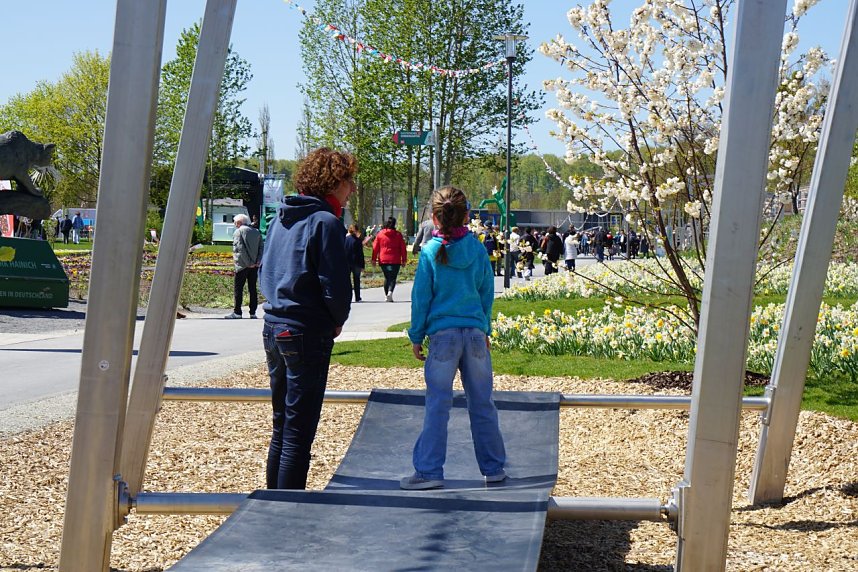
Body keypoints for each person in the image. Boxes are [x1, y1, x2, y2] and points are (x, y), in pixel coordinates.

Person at [259, 147, 356, 490]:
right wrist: (337, 318)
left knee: (281, 426)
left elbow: (265, 272)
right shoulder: (326, 223)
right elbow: (335, 285)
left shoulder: (280, 219)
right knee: (298, 434)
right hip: (306, 330)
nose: (352, 189)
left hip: (274, 326)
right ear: (333, 182)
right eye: (348, 181)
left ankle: (273, 505)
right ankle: (287, 514)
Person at [401, 185, 506, 490]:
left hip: (443, 336)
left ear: (434, 217)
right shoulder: (476, 248)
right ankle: (493, 467)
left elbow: (422, 297)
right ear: (468, 216)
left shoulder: (431, 252)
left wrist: (416, 335)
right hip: (473, 334)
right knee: (483, 402)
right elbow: (487, 291)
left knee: (438, 404)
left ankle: (429, 471)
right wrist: (484, 328)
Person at [225, 213, 264, 319]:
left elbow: (240, 249)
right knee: (252, 288)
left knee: (238, 288)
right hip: (255, 266)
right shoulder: (256, 232)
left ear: (239, 222)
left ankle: (237, 312)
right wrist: (257, 261)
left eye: (234, 223)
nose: (234, 225)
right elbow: (261, 247)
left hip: (242, 265)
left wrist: (248, 263)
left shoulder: (238, 232)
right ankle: (253, 312)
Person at [371, 216, 407, 302]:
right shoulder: (398, 235)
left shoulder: (380, 234)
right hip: (395, 260)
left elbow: (375, 247)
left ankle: (387, 294)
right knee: (393, 278)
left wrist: (373, 259)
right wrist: (404, 260)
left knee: (387, 277)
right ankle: (390, 293)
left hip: (383, 260)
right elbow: (403, 248)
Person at [344, 224, 365, 302]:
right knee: (356, 280)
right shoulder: (358, 241)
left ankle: (347, 297)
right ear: (356, 231)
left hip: (347, 262)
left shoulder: (345, 240)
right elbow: (360, 254)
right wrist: (362, 265)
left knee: (347, 281)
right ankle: (357, 297)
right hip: (356, 262)